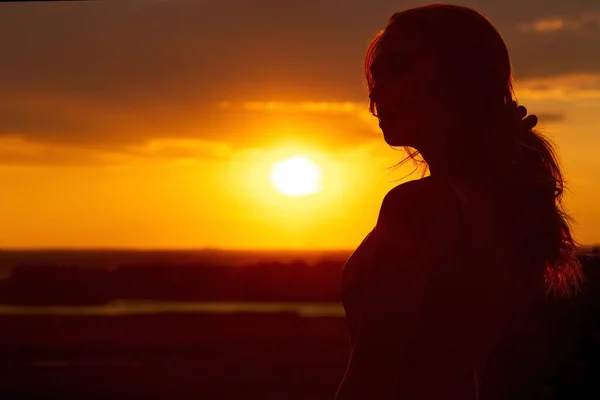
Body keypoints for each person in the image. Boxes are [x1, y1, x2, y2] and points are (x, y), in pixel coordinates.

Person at [335, 4, 584, 399]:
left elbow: (372, 375)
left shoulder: (421, 206)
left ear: (461, 78)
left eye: (398, 68)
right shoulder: (494, 199)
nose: (376, 90)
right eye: (375, 75)